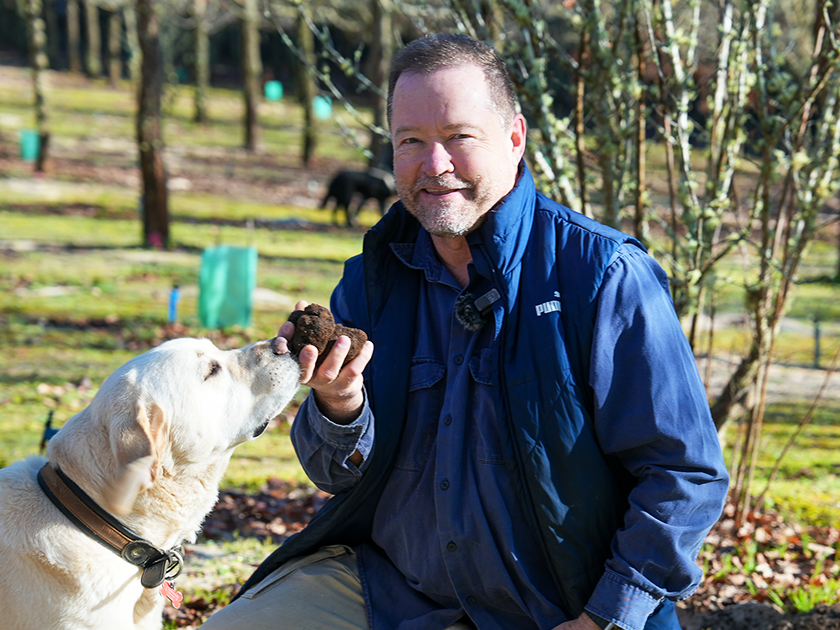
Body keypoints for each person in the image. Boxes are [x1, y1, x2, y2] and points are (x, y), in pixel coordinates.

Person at [202, 33, 728, 630]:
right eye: (411, 142)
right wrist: (341, 403)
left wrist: (606, 617)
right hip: (395, 593)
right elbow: (334, 475)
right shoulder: (372, 281)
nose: (435, 166)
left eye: (458, 137)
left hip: (559, 607)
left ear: (514, 137)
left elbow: (685, 475)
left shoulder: (602, 276)